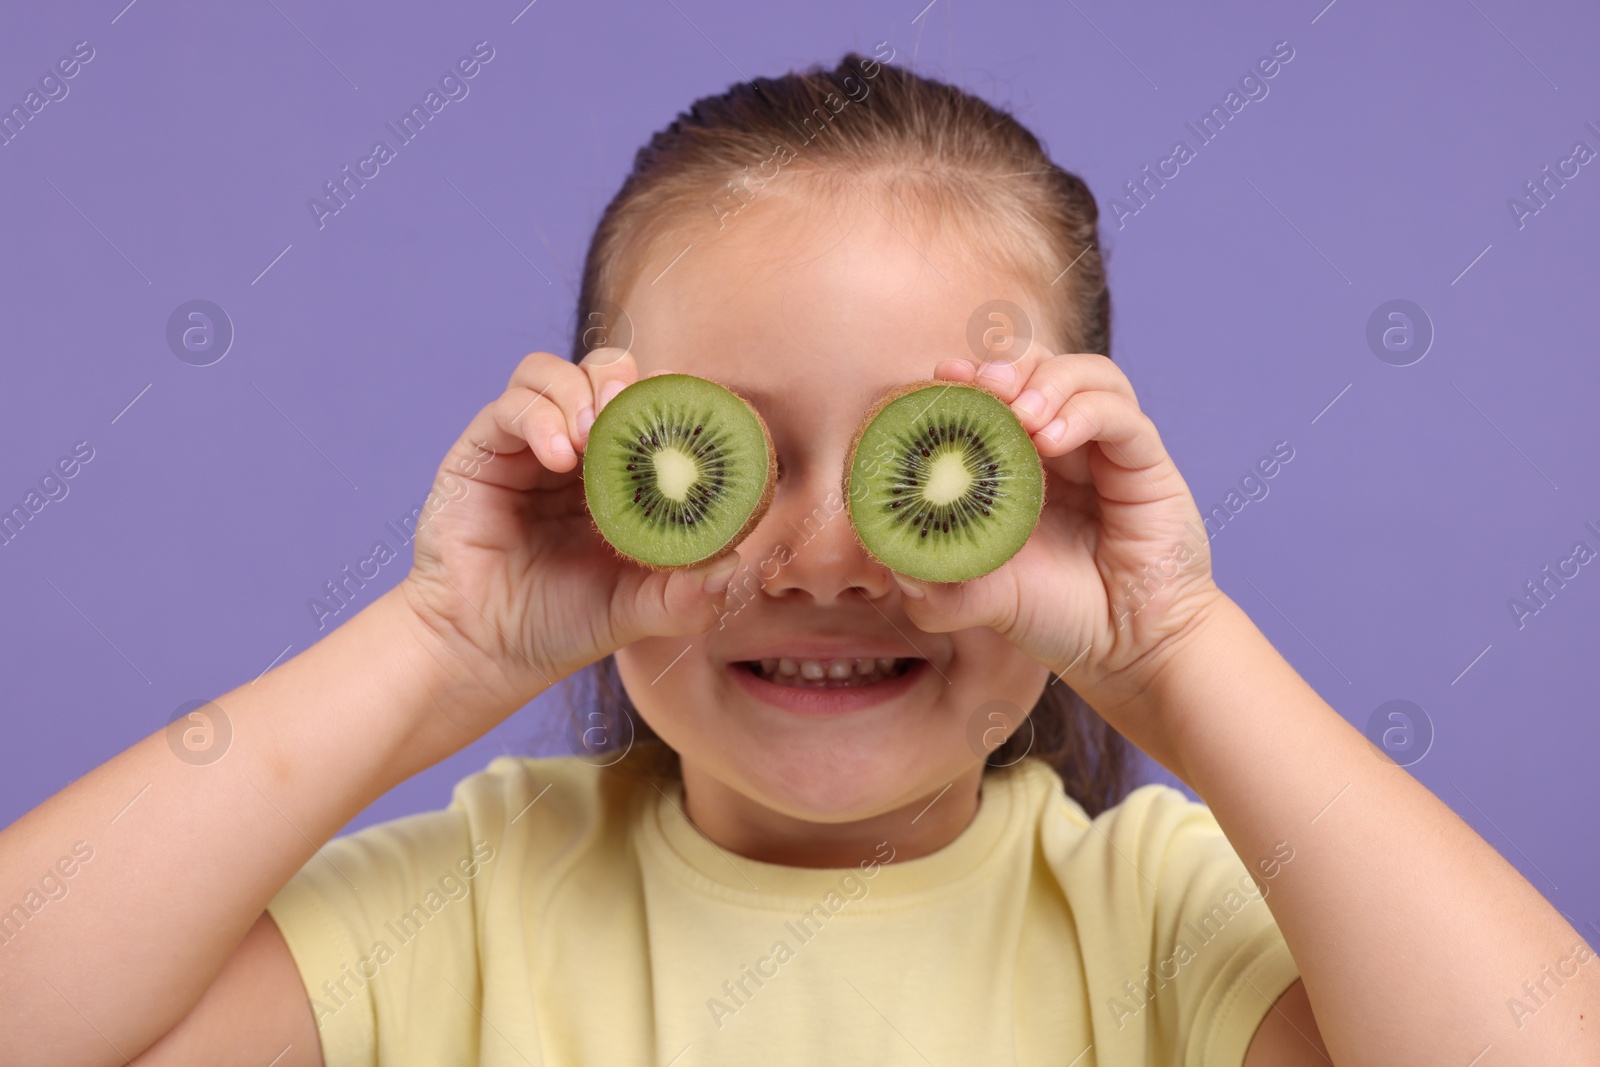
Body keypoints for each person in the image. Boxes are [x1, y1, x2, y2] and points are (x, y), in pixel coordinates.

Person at [2, 51, 1594, 1067]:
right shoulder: (469, 911)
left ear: (1066, 493)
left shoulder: (1156, 925)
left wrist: (1175, 646)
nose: (830, 556)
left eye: (928, 463)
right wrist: (440, 644)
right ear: (599, 478)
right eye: (733, 457)